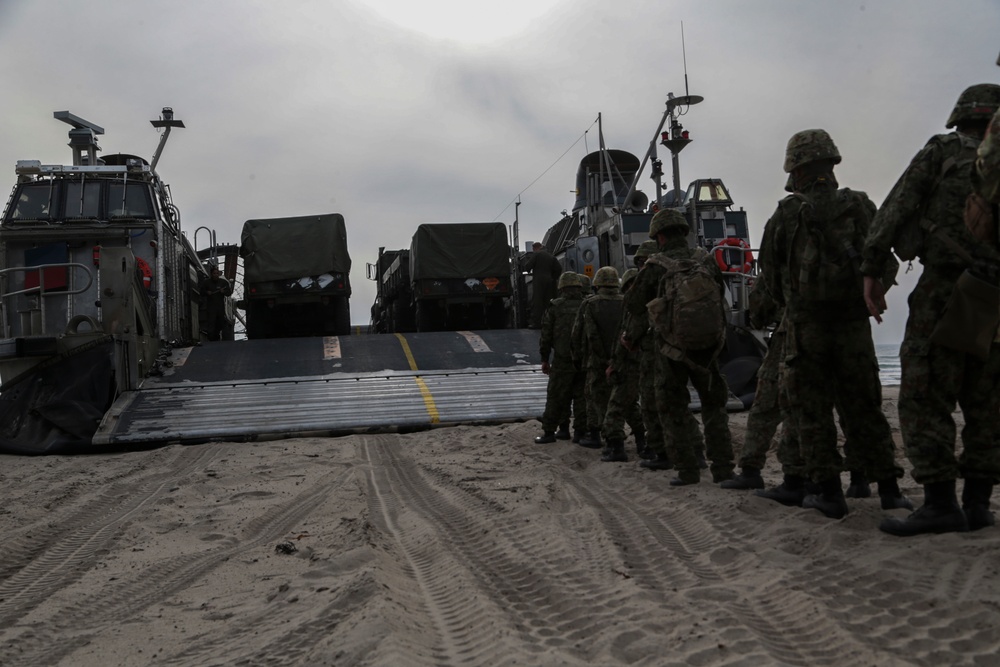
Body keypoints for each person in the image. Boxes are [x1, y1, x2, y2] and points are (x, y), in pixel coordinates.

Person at [862, 84, 1000, 535]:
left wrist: (872, 270)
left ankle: (941, 503)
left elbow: (897, 206)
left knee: (924, 395)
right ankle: (978, 503)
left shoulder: (943, 150)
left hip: (947, 287)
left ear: (961, 116)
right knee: (988, 400)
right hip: (997, 295)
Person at [758, 128, 908, 520]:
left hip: (806, 329)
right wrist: (869, 296)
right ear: (833, 162)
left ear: (795, 169)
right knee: (865, 407)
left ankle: (828, 493)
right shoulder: (859, 205)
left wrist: (792, 304)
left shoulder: (786, 214)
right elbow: (885, 262)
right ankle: (890, 491)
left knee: (812, 412)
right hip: (854, 327)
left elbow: (770, 279)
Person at [622, 209, 734, 486]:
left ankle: (687, 470)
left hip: (671, 349)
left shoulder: (656, 265)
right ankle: (723, 470)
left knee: (673, 407)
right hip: (708, 346)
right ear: (684, 232)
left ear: (659, 236)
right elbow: (720, 295)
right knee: (714, 407)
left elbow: (633, 304)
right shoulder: (705, 260)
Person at [598, 267, 646, 462]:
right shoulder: (654, 304)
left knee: (615, 408)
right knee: (636, 405)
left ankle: (617, 449)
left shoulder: (632, 308)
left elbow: (624, 340)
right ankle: (646, 445)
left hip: (628, 364)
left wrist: (613, 364)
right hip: (649, 364)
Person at [574, 266, 624, 452]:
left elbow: (580, 333)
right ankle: (642, 441)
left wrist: (578, 357)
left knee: (595, 398)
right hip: (623, 360)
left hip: (595, 361)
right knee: (624, 400)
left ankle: (598, 436)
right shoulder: (626, 302)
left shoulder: (590, 304)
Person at [534, 272, 588, 444]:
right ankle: (580, 432)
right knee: (581, 398)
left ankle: (554, 431)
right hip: (584, 360)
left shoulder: (555, 306)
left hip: (562, 360)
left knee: (557, 396)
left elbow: (546, 335)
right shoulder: (587, 305)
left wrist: (544, 358)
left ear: (562, 287)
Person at [524, 242, 562, 328]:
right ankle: (550, 322)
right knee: (548, 301)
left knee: (537, 301)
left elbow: (528, 266)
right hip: (549, 280)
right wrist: (553, 277)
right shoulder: (551, 256)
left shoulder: (537, 254)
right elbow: (559, 268)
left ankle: (537, 323)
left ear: (535, 248)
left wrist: (528, 269)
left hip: (538, 280)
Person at [201, 265, 233, 341]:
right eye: (214, 273)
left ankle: (217, 334)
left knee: (220, 321)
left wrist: (223, 292)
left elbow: (229, 292)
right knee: (211, 322)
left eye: (217, 273)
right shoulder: (207, 282)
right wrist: (207, 292)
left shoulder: (223, 282)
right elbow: (201, 292)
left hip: (220, 306)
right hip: (211, 306)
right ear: (211, 274)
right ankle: (211, 338)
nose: (216, 275)